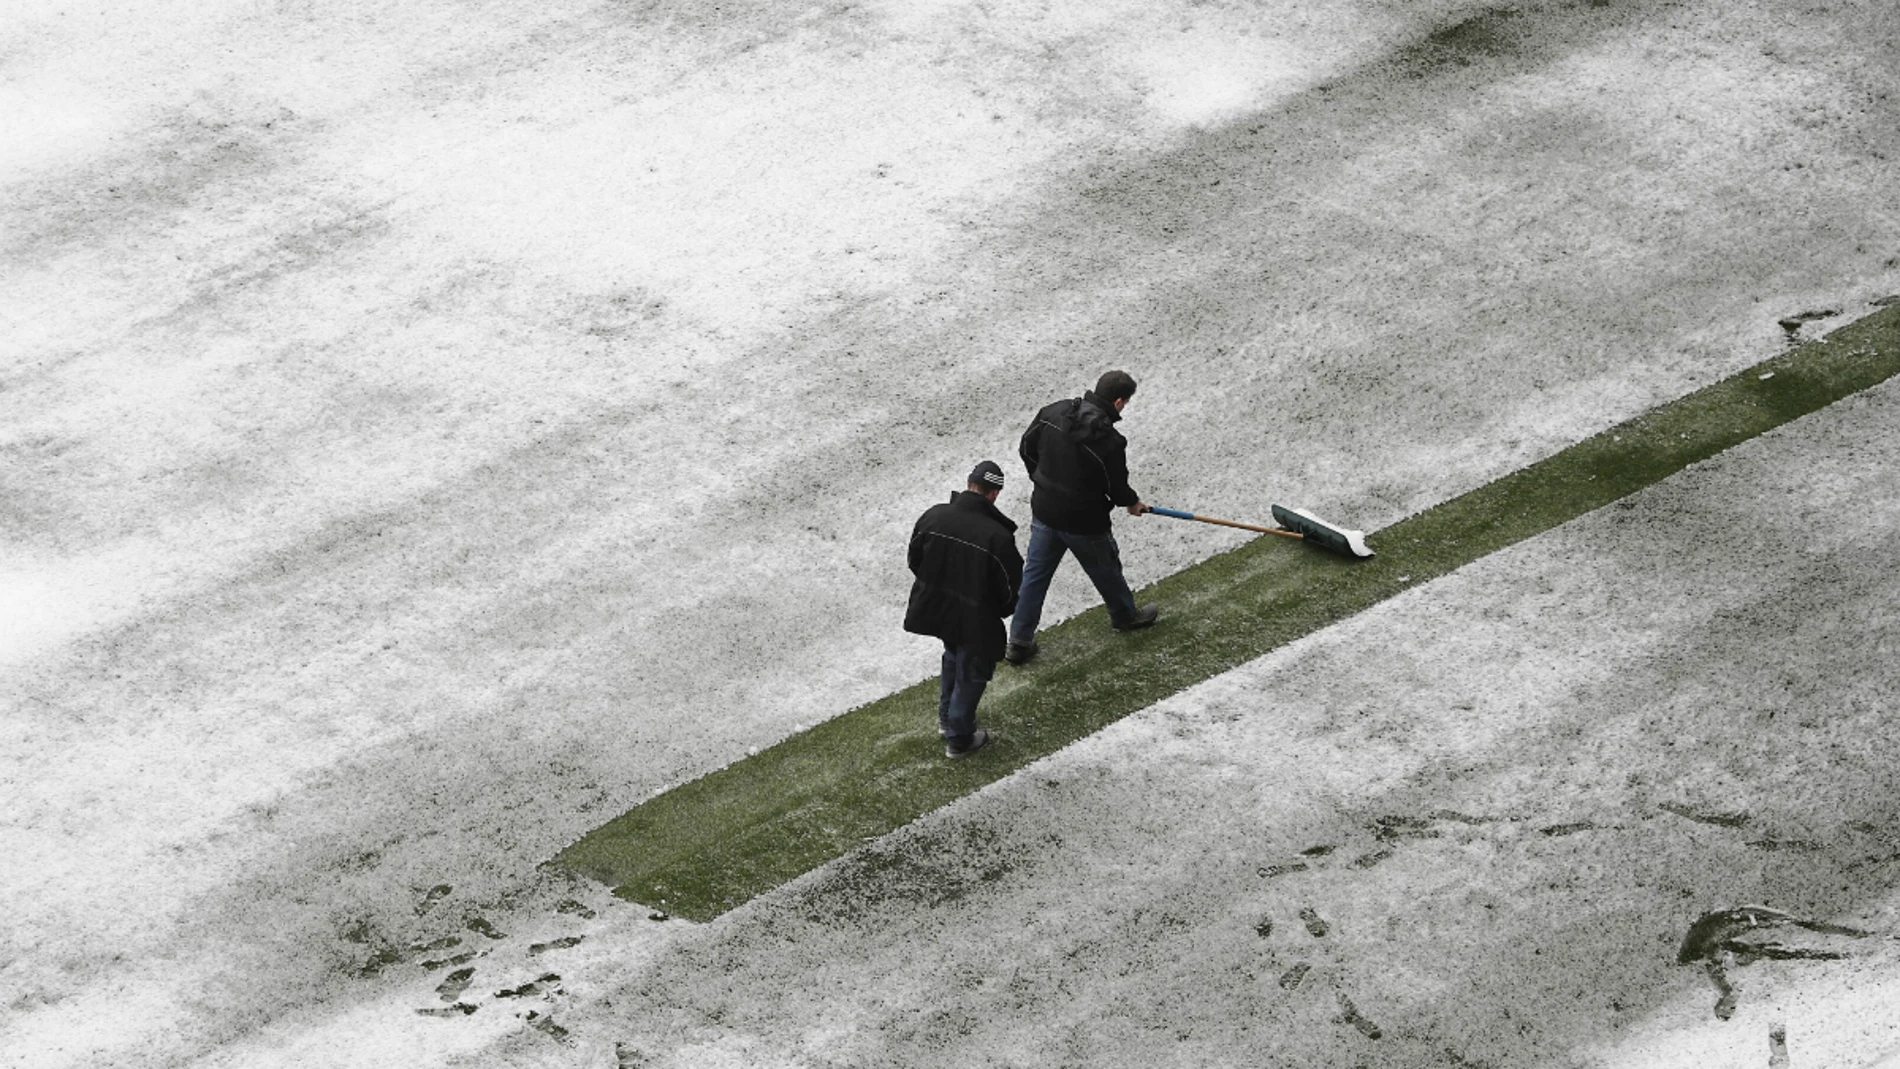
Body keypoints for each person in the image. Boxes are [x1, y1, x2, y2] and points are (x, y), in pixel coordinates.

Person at [1005, 370, 1157, 666]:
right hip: (1085, 523)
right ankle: (1125, 616)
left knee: (1034, 578)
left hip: (1045, 512)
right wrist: (1131, 503)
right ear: (1117, 401)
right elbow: (1115, 485)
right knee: (1106, 569)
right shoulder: (1110, 441)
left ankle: (1018, 642)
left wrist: (1041, 480)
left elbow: (1027, 447)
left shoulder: (1054, 412)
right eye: (1125, 403)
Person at [904, 460, 1024, 758]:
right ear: (994, 494)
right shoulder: (997, 536)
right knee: (973, 670)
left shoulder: (933, 516)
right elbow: (1010, 588)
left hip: (938, 608)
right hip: (975, 616)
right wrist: (1000, 609)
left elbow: (914, 559)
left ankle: (947, 720)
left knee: (952, 656)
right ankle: (959, 736)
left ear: (969, 483)